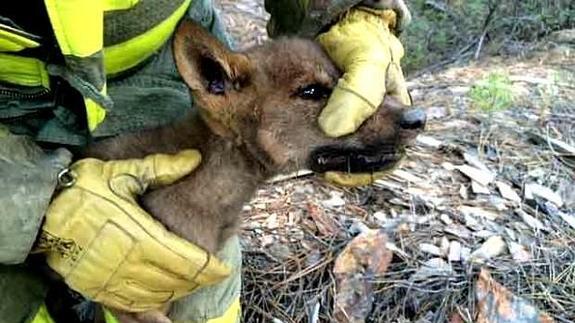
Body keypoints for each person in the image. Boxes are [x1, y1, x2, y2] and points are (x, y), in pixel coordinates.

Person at [0, 0, 412, 322]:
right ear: (218, 85)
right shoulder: (230, 93)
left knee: (202, 289)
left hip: (154, 83)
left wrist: (350, 14)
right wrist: (33, 203)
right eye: (313, 93)